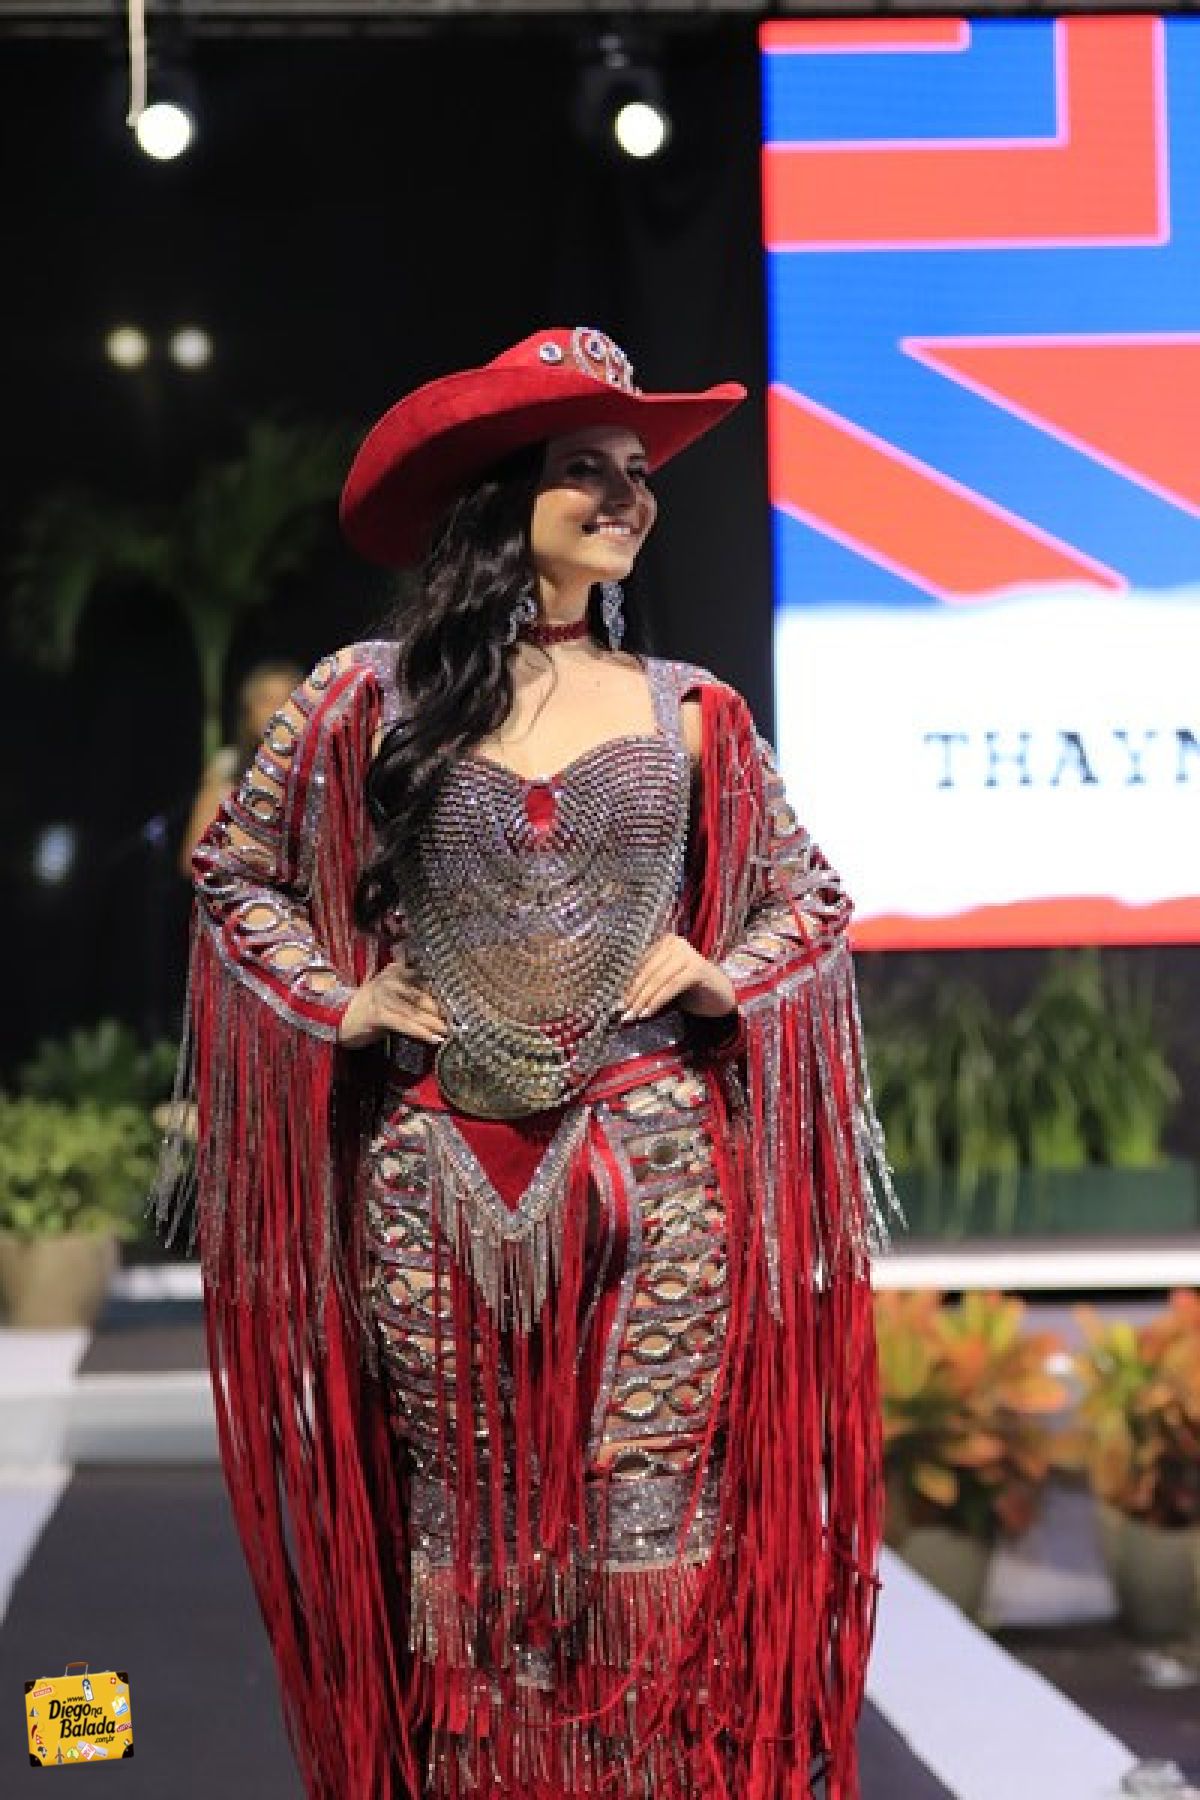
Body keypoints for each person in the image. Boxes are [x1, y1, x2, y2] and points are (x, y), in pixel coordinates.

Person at [151, 325, 903, 1800]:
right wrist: (339, 1003)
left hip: (658, 1167)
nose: (629, 497)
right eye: (588, 469)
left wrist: (723, 973)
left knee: (649, 1530)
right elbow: (232, 872)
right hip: (434, 1170)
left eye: (638, 472)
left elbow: (808, 899)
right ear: (504, 498)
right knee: (470, 1536)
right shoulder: (364, 696)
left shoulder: (694, 709)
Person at [177, 659, 305, 872]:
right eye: (266, 701)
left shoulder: (318, 773)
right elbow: (192, 860)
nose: (277, 711)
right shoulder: (226, 769)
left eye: (286, 701)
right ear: (248, 713)